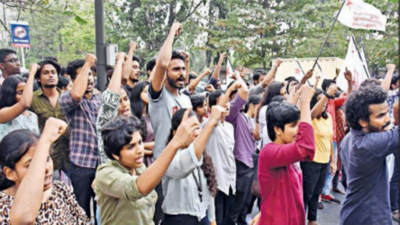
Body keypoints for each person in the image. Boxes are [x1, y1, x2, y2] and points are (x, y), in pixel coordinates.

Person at [95, 110, 200, 225]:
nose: (139, 150)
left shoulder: (140, 169)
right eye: (130, 147)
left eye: (140, 142)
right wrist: (176, 142)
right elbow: (137, 188)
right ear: (115, 154)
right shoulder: (105, 174)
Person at [0, 117, 90, 224]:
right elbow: (24, 220)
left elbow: (83, 221)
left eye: (46, 159)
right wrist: (45, 140)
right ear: (10, 173)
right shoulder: (3, 206)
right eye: (32, 165)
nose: (45, 168)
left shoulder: (60, 190)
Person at [249, 85, 316, 225]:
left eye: (298, 124)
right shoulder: (269, 152)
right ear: (278, 130)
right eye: (293, 126)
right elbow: (307, 148)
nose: (298, 130)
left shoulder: (287, 151)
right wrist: (304, 102)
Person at [148, 22, 192, 224]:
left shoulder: (185, 99)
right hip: (163, 166)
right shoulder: (159, 98)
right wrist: (172, 32)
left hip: (184, 163)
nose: (181, 73)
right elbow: (162, 64)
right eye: (175, 69)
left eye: (183, 69)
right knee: (163, 217)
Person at [340, 83, 398, 225]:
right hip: (369, 219)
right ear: (363, 122)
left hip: (353, 215)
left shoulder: (349, 138)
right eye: (381, 116)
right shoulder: (369, 145)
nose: (388, 120)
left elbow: (345, 180)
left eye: (387, 112)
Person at [162, 107, 224, 225]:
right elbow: (182, 168)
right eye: (190, 128)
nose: (196, 132)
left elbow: (208, 191)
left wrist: (212, 220)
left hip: (202, 217)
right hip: (179, 219)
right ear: (175, 133)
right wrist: (211, 122)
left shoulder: (203, 156)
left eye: (197, 127)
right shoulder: (169, 157)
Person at [59, 54, 102, 219]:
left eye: (90, 74)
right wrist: (88, 63)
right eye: (84, 76)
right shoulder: (66, 99)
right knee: (81, 211)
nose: (89, 79)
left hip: (102, 164)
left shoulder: (99, 97)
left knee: (103, 211)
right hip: (82, 164)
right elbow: (76, 95)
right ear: (73, 80)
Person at [301, 84, 338, 225]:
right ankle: (300, 220)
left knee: (316, 193)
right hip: (311, 161)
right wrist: (327, 95)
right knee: (307, 194)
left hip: (324, 161)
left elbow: (330, 140)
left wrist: (333, 161)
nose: (323, 104)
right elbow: (311, 113)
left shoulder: (327, 117)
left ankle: (312, 220)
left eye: (325, 101)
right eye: (319, 100)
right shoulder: (309, 117)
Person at [223, 71, 255, 225]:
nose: (244, 99)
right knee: (233, 208)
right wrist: (237, 76)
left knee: (244, 206)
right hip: (239, 165)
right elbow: (245, 91)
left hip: (248, 164)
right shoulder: (231, 113)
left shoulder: (244, 116)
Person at [30, 59, 70, 180]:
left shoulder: (67, 97)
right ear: (38, 78)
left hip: (71, 155)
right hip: (48, 157)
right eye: (46, 73)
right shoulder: (32, 100)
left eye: (53, 72)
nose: (51, 75)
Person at [204, 87, 238, 225]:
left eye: (228, 101)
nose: (227, 105)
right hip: (216, 179)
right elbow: (215, 118)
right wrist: (230, 88)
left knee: (225, 216)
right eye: (222, 102)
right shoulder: (210, 125)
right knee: (216, 216)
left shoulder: (229, 126)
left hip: (229, 178)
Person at [319, 71, 352, 202]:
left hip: (332, 139)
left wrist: (349, 82)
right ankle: (317, 196)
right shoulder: (317, 101)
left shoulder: (333, 102)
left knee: (331, 167)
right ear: (327, 88)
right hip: (320, 140)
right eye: (334, 88)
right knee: (320, 168)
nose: (337, 90)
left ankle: (325, 192)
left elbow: (348, 97)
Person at [0, 64, 39, 141]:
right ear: (10, 94)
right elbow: (25, 103)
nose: (25, 95)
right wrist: (32, 73)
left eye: (26, 91)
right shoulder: (3, 113)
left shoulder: (33, 116)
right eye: (20, 92)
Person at [130, 81, 154, 167]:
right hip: (139, 160)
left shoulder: (152, 114)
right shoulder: (132, 116)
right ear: (138, 94)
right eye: (146, 92)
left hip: (153, 158)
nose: (149, 95)